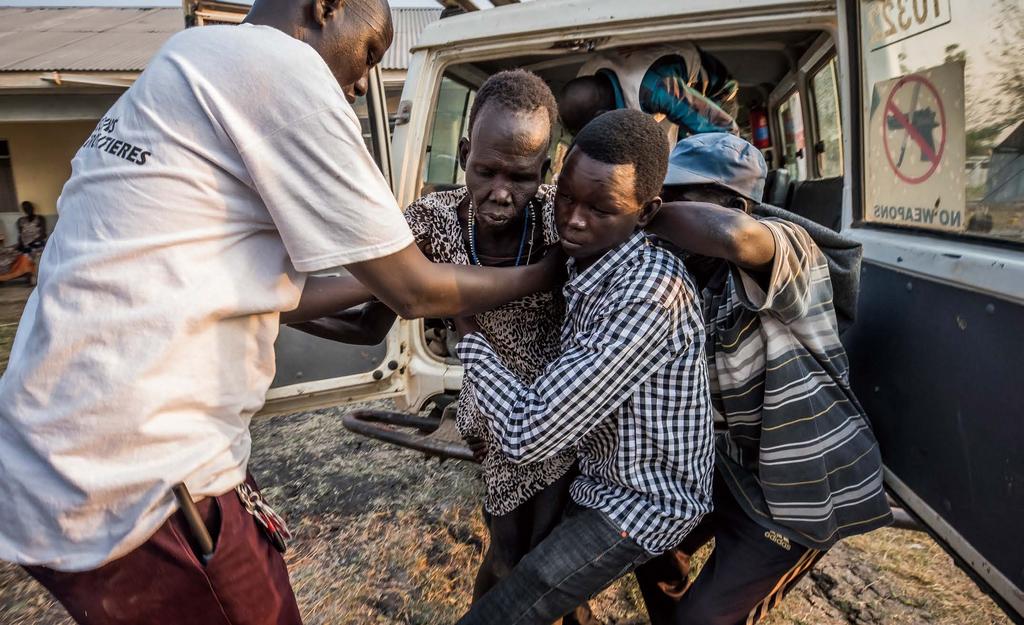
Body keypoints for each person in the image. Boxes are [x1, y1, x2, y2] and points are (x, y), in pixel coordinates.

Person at [0, 1, 560, 623]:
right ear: (326, 7)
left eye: (522, 174)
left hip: (53, 463)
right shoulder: (280, 69)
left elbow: (273, 289)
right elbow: (412, 294)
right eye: (370, 56)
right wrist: (539, 276)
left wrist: (289, 304)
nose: (358, 86)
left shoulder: (184, 62)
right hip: (139, 482)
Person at [294, 69, 594, 625]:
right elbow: (367, 325)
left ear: (548, 169)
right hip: (492, 423)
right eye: (485, 170)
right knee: (509, 557)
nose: (501, 192)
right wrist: (272, 314)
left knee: (552, 568)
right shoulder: (430, 226)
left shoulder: (564, 222)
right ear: (462, 154)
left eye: (521, 176)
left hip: (563, 417)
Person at [453, 109, 715, 625]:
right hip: (597, 466)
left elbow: (530, 432)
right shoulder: (590, 254)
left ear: (645, 213)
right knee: (519, 564)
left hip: (641, 498)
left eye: (601, 208)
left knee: (523, 594)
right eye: (567, 196)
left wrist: (468, 337)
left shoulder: (647, 296)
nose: (572, 219)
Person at [634, 132, 893, 625]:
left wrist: (630, 209)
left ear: (738, 204)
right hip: (730, 472)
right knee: (644, 541)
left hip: (796, 497)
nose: (660, 214)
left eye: (674, 200)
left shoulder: (790, 251)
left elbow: (732, 235)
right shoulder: (686, 277)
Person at [558, 43, 739, 140]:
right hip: (661, 89)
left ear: (603, 114)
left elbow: (726, 132)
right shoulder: (586, 74)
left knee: (693, 152)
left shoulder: (658, 89)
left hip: (716, 93)